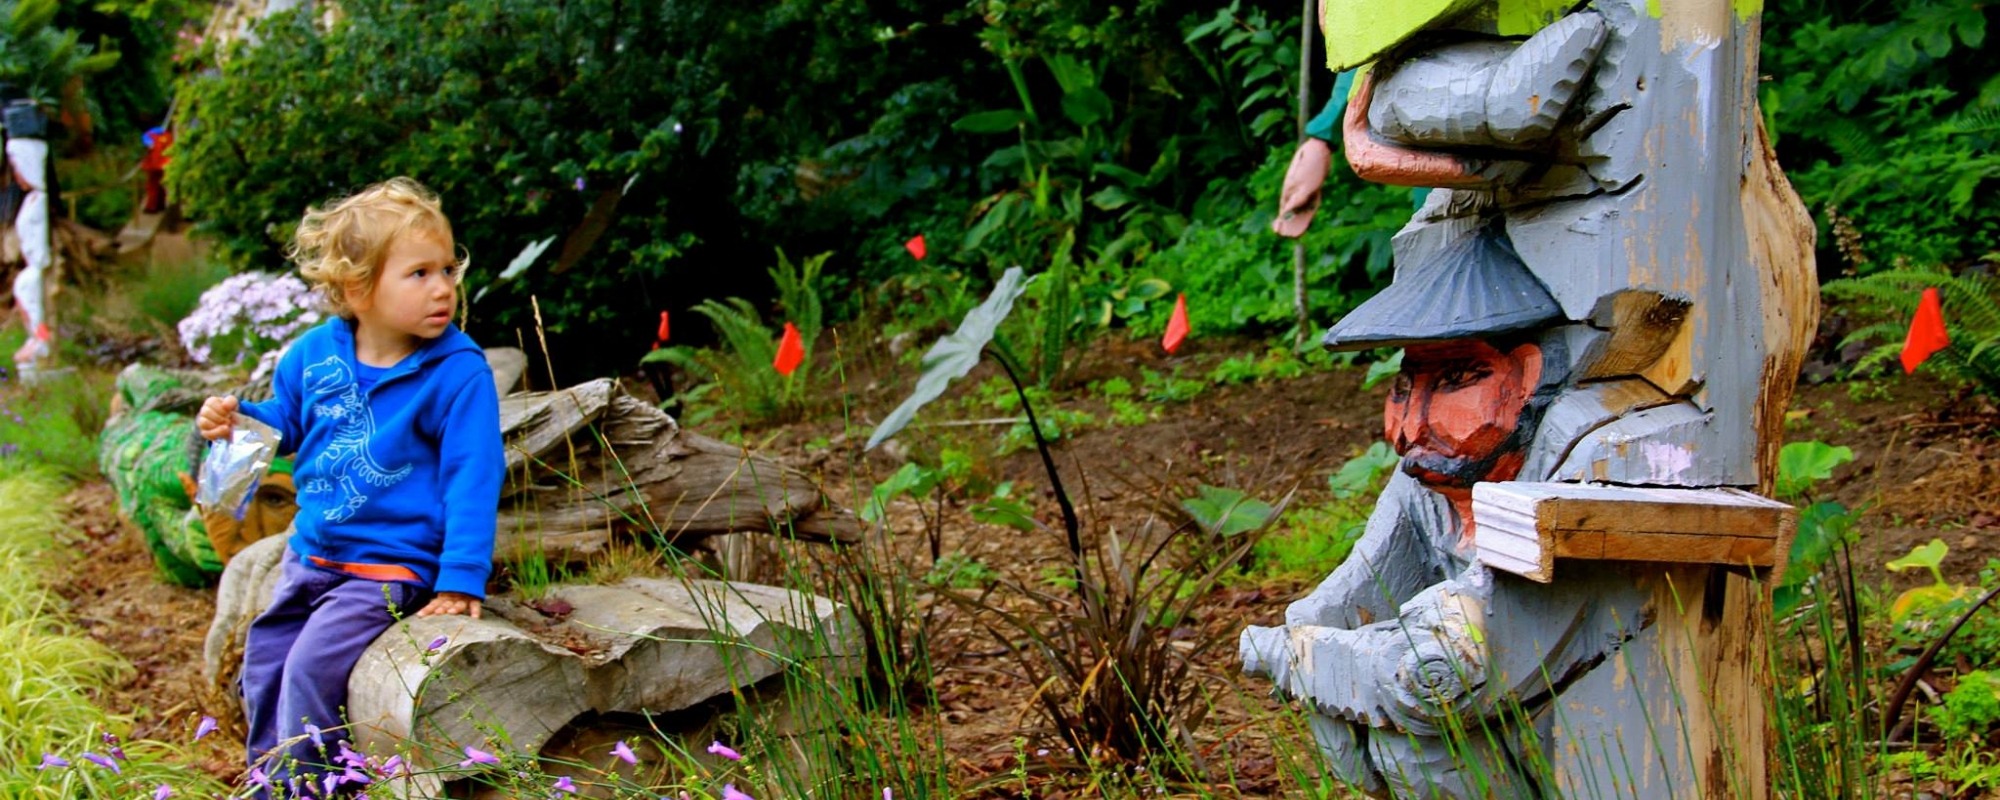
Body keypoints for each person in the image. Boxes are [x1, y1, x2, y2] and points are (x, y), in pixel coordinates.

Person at [196, 177, 503, 796]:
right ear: (358, 288)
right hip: (311, 556)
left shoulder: (456, 372)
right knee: (264, 666)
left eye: (447, 268)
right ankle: (273, 783)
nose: (443, 286)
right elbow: (284, 424)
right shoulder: (313, 356)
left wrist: (462, 575)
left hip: (389, 570)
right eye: (419, 273)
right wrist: (235, 422)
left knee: (312, 671)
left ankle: (317, 790)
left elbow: (474, 474)